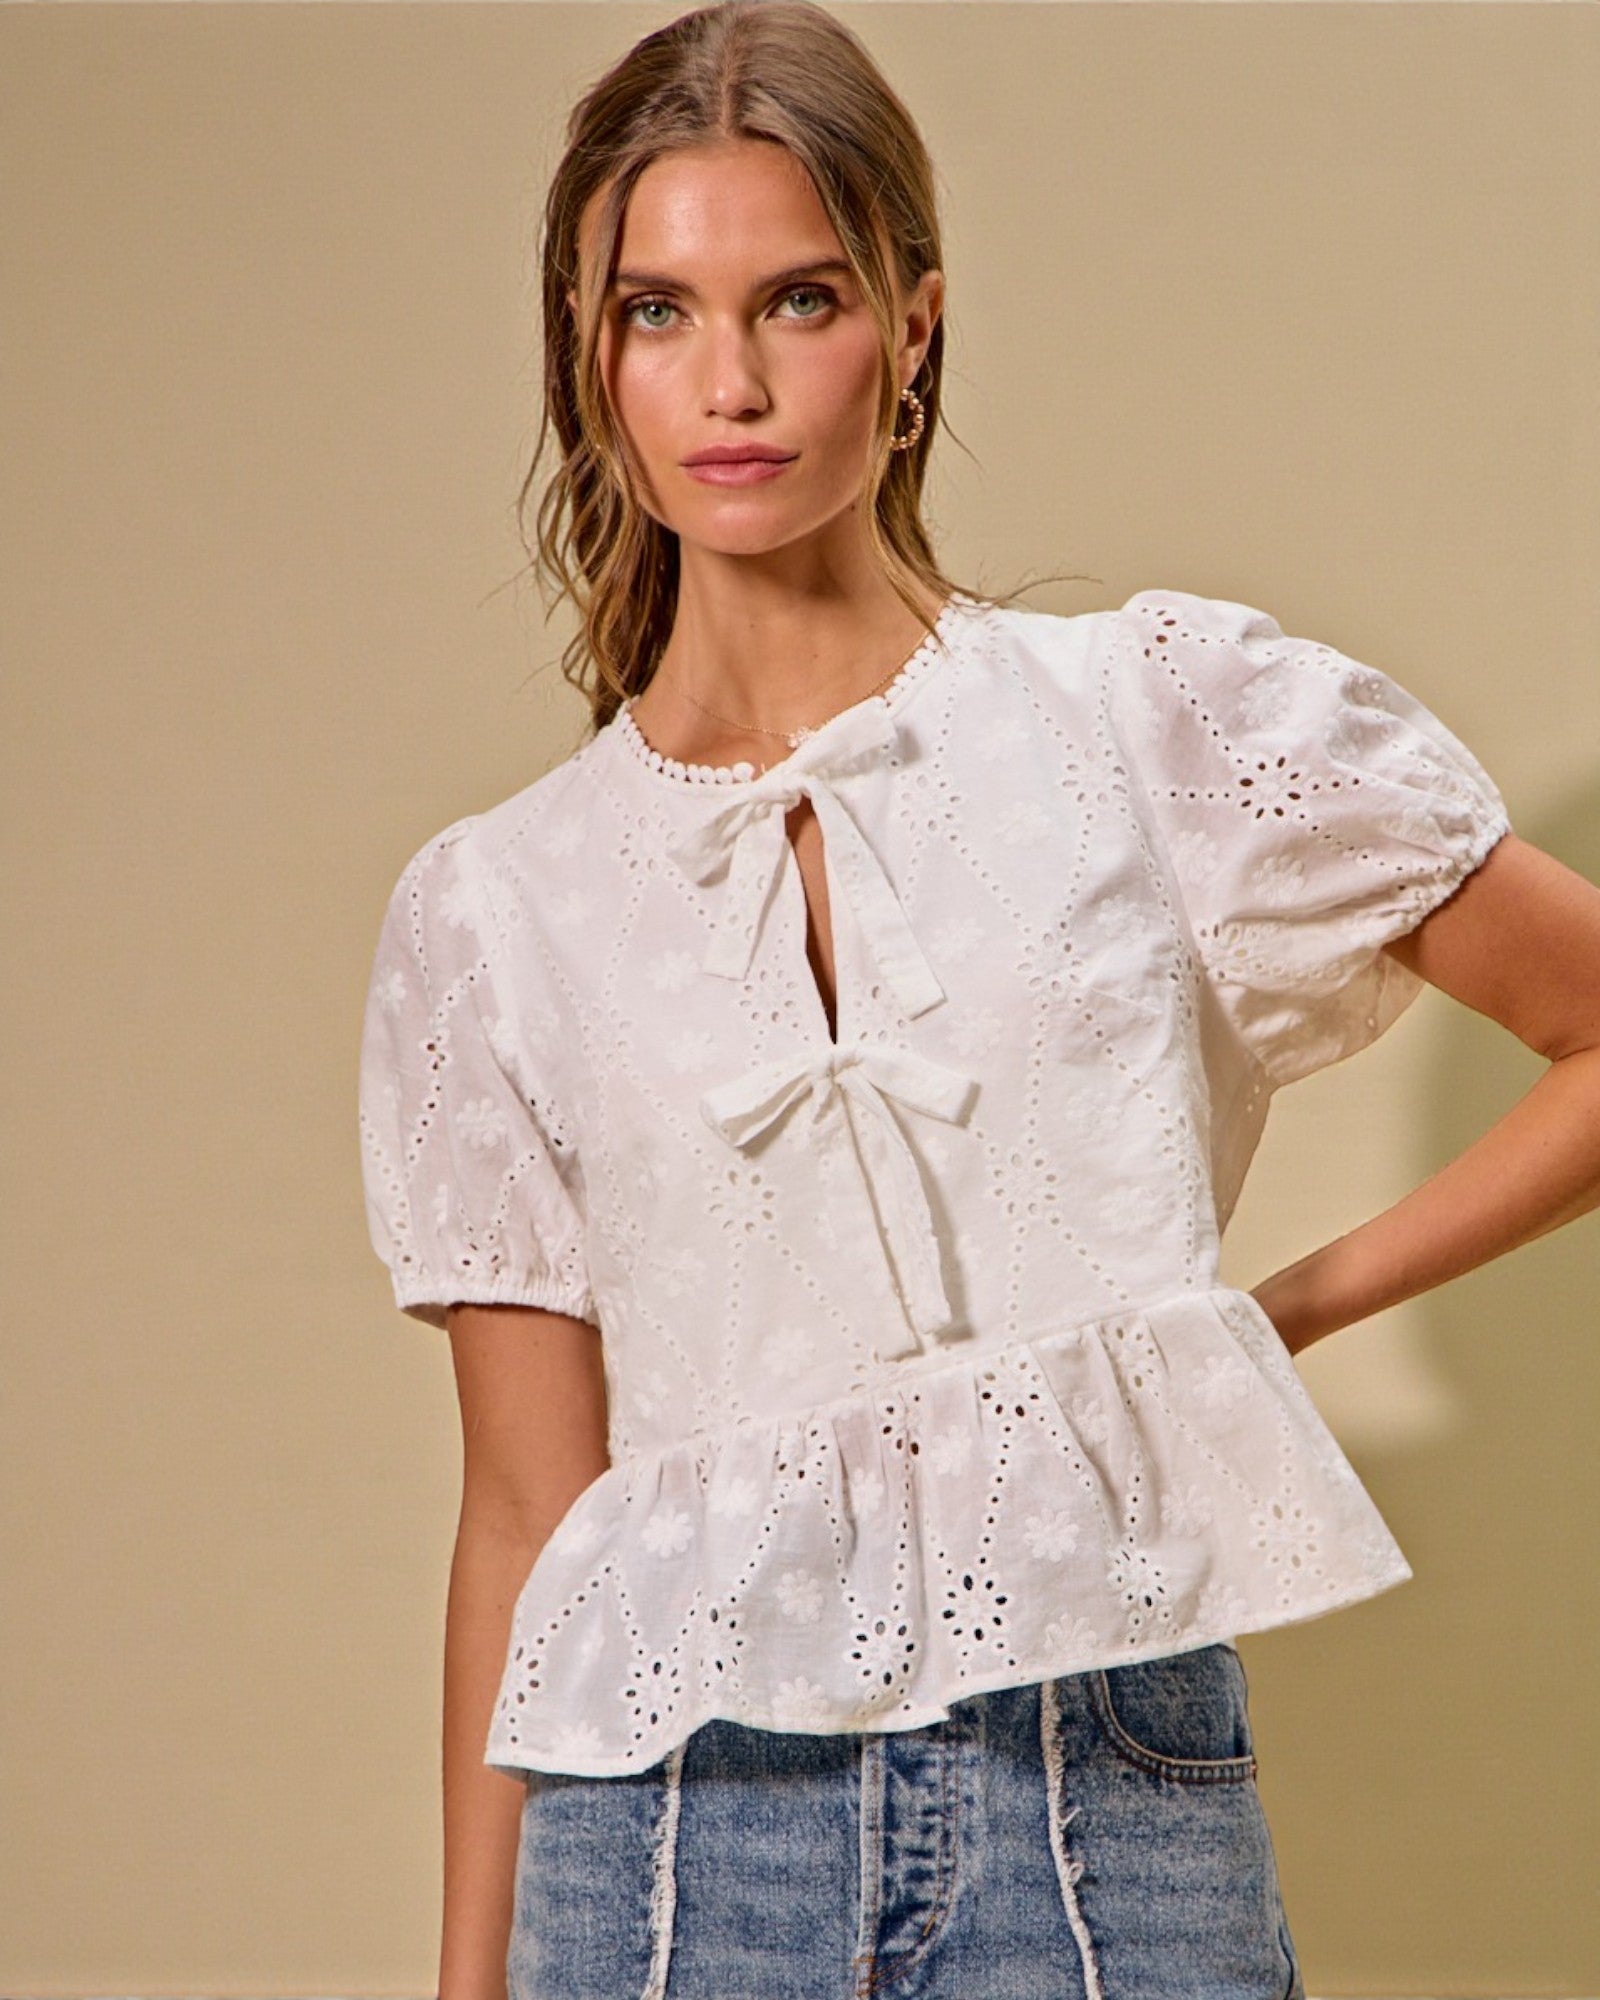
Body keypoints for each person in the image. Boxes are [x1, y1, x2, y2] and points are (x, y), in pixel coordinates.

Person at [356, 4, 1600, 1996]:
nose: (731, 381)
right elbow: (526, 1503)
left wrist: (1270, 1316)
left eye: (800, 298)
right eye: (656, 313)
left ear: (911, 326)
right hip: (667, 1831)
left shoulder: (1151, 720)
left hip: (1098, 1783)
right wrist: (461, 1975)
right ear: (585, 357)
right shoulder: (496, 906)